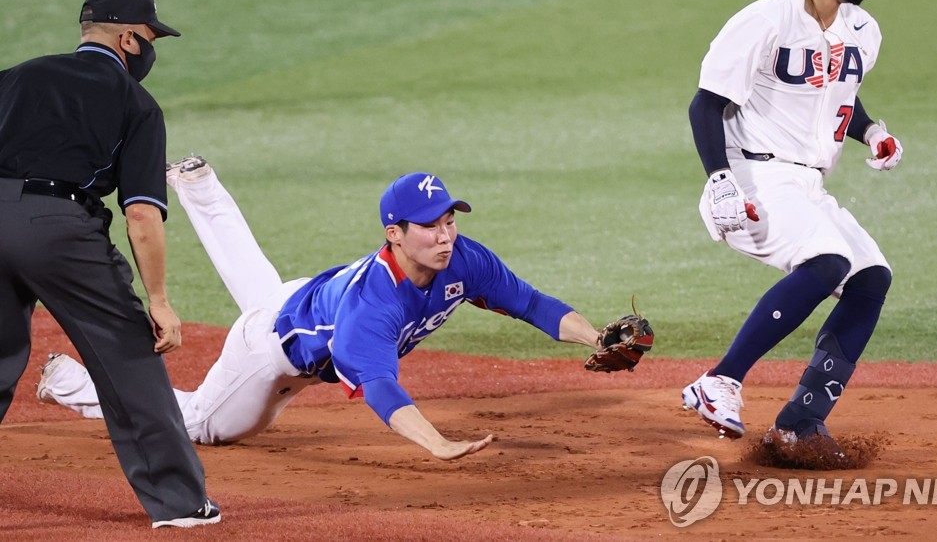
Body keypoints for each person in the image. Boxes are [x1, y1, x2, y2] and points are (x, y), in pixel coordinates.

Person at [39, 158, 609, 460]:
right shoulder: (372, 310)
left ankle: (202, 188)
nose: (446, 235)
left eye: (451, 219)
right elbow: (382, 386)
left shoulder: (463, 258)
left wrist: (596, 337)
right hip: (270, 350)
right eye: (431, 226)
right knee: (203, 428)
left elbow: (531, 303)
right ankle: (71, 382)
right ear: (394, 232)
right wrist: (437, 442)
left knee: (261, 288)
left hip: (304, 296)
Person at [680, 0, 903, 453]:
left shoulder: (862, 29)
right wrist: (719, 180)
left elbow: (835, 97)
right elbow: (706, 105)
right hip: (751, 179)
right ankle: (719, 381)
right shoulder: (765, 20)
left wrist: (872, 132)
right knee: (827, 260)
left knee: (871, 277)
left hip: (806, 186)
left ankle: (800, 420)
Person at [0, 0, 220, 528]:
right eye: (150, 37)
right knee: (128, 359)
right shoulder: (135, 103)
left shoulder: (16, 76)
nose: (151, 48)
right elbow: (141, 214)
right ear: (127, 38)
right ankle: (179, 504)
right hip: (56, 230)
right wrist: (161, 301)